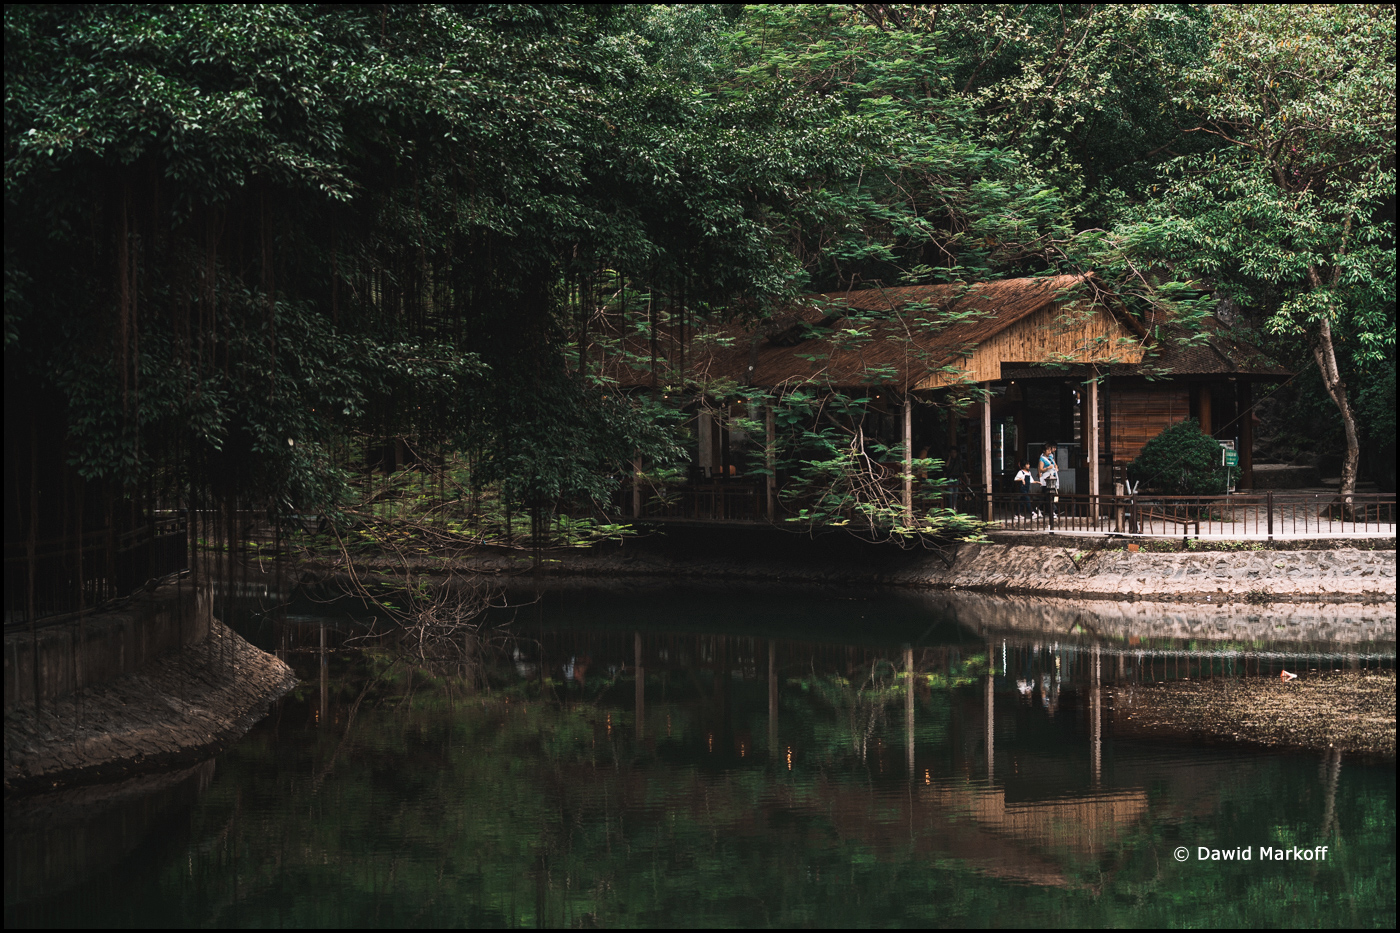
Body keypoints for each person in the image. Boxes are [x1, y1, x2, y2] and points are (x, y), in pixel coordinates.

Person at [1038, 443, 1059, 518]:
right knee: (1048, 495)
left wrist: (1056, 467)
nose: (1050, 452)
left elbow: (1055, 464)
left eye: (1050, 450)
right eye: (1048, 450)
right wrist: (1048, 468)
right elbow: (1041, 469)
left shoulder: (1051, 457)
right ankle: (1053, 510)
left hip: (1052, 478)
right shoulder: (1042, 458)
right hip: (1046, 479)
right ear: (1044, 451)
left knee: (1045, 495)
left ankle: (1039, 509)